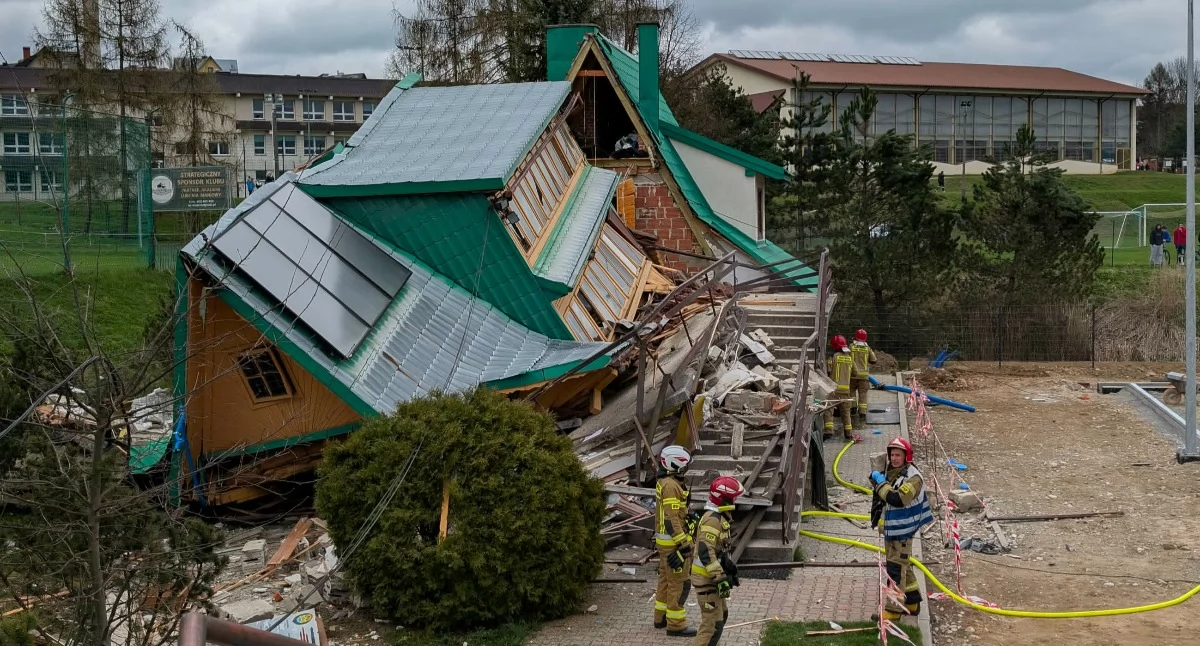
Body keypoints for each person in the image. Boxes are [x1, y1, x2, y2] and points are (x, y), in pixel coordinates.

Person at [869, 437, 934, 621]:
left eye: (898, 455)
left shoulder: (914, 478)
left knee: (895, 570)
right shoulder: (893, 472)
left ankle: (893, 611)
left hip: (903, 531)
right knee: (903, 565)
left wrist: (880, 483)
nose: (894, 458)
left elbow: (897, 499)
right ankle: (912, 602)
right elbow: (882, 496)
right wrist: (877, 480)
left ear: (907, 456)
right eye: (892, 454)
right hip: (892, 530)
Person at [690, 476, 744, 646]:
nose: (736, 500)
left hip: (710, 579)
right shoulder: (712, 520)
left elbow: (716, 549)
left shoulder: (719, 516)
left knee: (721, 617)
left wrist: (727, 567)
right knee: (711, 625)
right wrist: (719, 578)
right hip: (707, 581)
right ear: (725, 499)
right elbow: (706, 552)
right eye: (734, 497)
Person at [654, 445, 696, 636]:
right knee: (679, 584)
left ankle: (660, 618)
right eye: (684, 466)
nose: (686, 470)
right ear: (676, 465)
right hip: (673, 544)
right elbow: (672, 520)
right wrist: (684, 544)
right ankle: (676, 625)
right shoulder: (671, 486)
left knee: (665, 580)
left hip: (664, 542)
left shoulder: (666, 481)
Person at [824, 335, 855, 439]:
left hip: (834, 389)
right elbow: (855, 372)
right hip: (846, 390)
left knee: (828, 409)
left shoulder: (833, 357)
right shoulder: (850, 358)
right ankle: (848, 433)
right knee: (846, 413)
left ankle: (829, 431)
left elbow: (828, 370)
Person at [849, 329, 877, 424]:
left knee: (851, 391)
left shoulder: (851, 346)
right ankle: (862, 413)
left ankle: (852, 408)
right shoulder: (867, 348)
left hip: (852, 375)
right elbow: (874, 360)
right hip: (864, 377)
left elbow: (847, 358)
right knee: (863, 394)